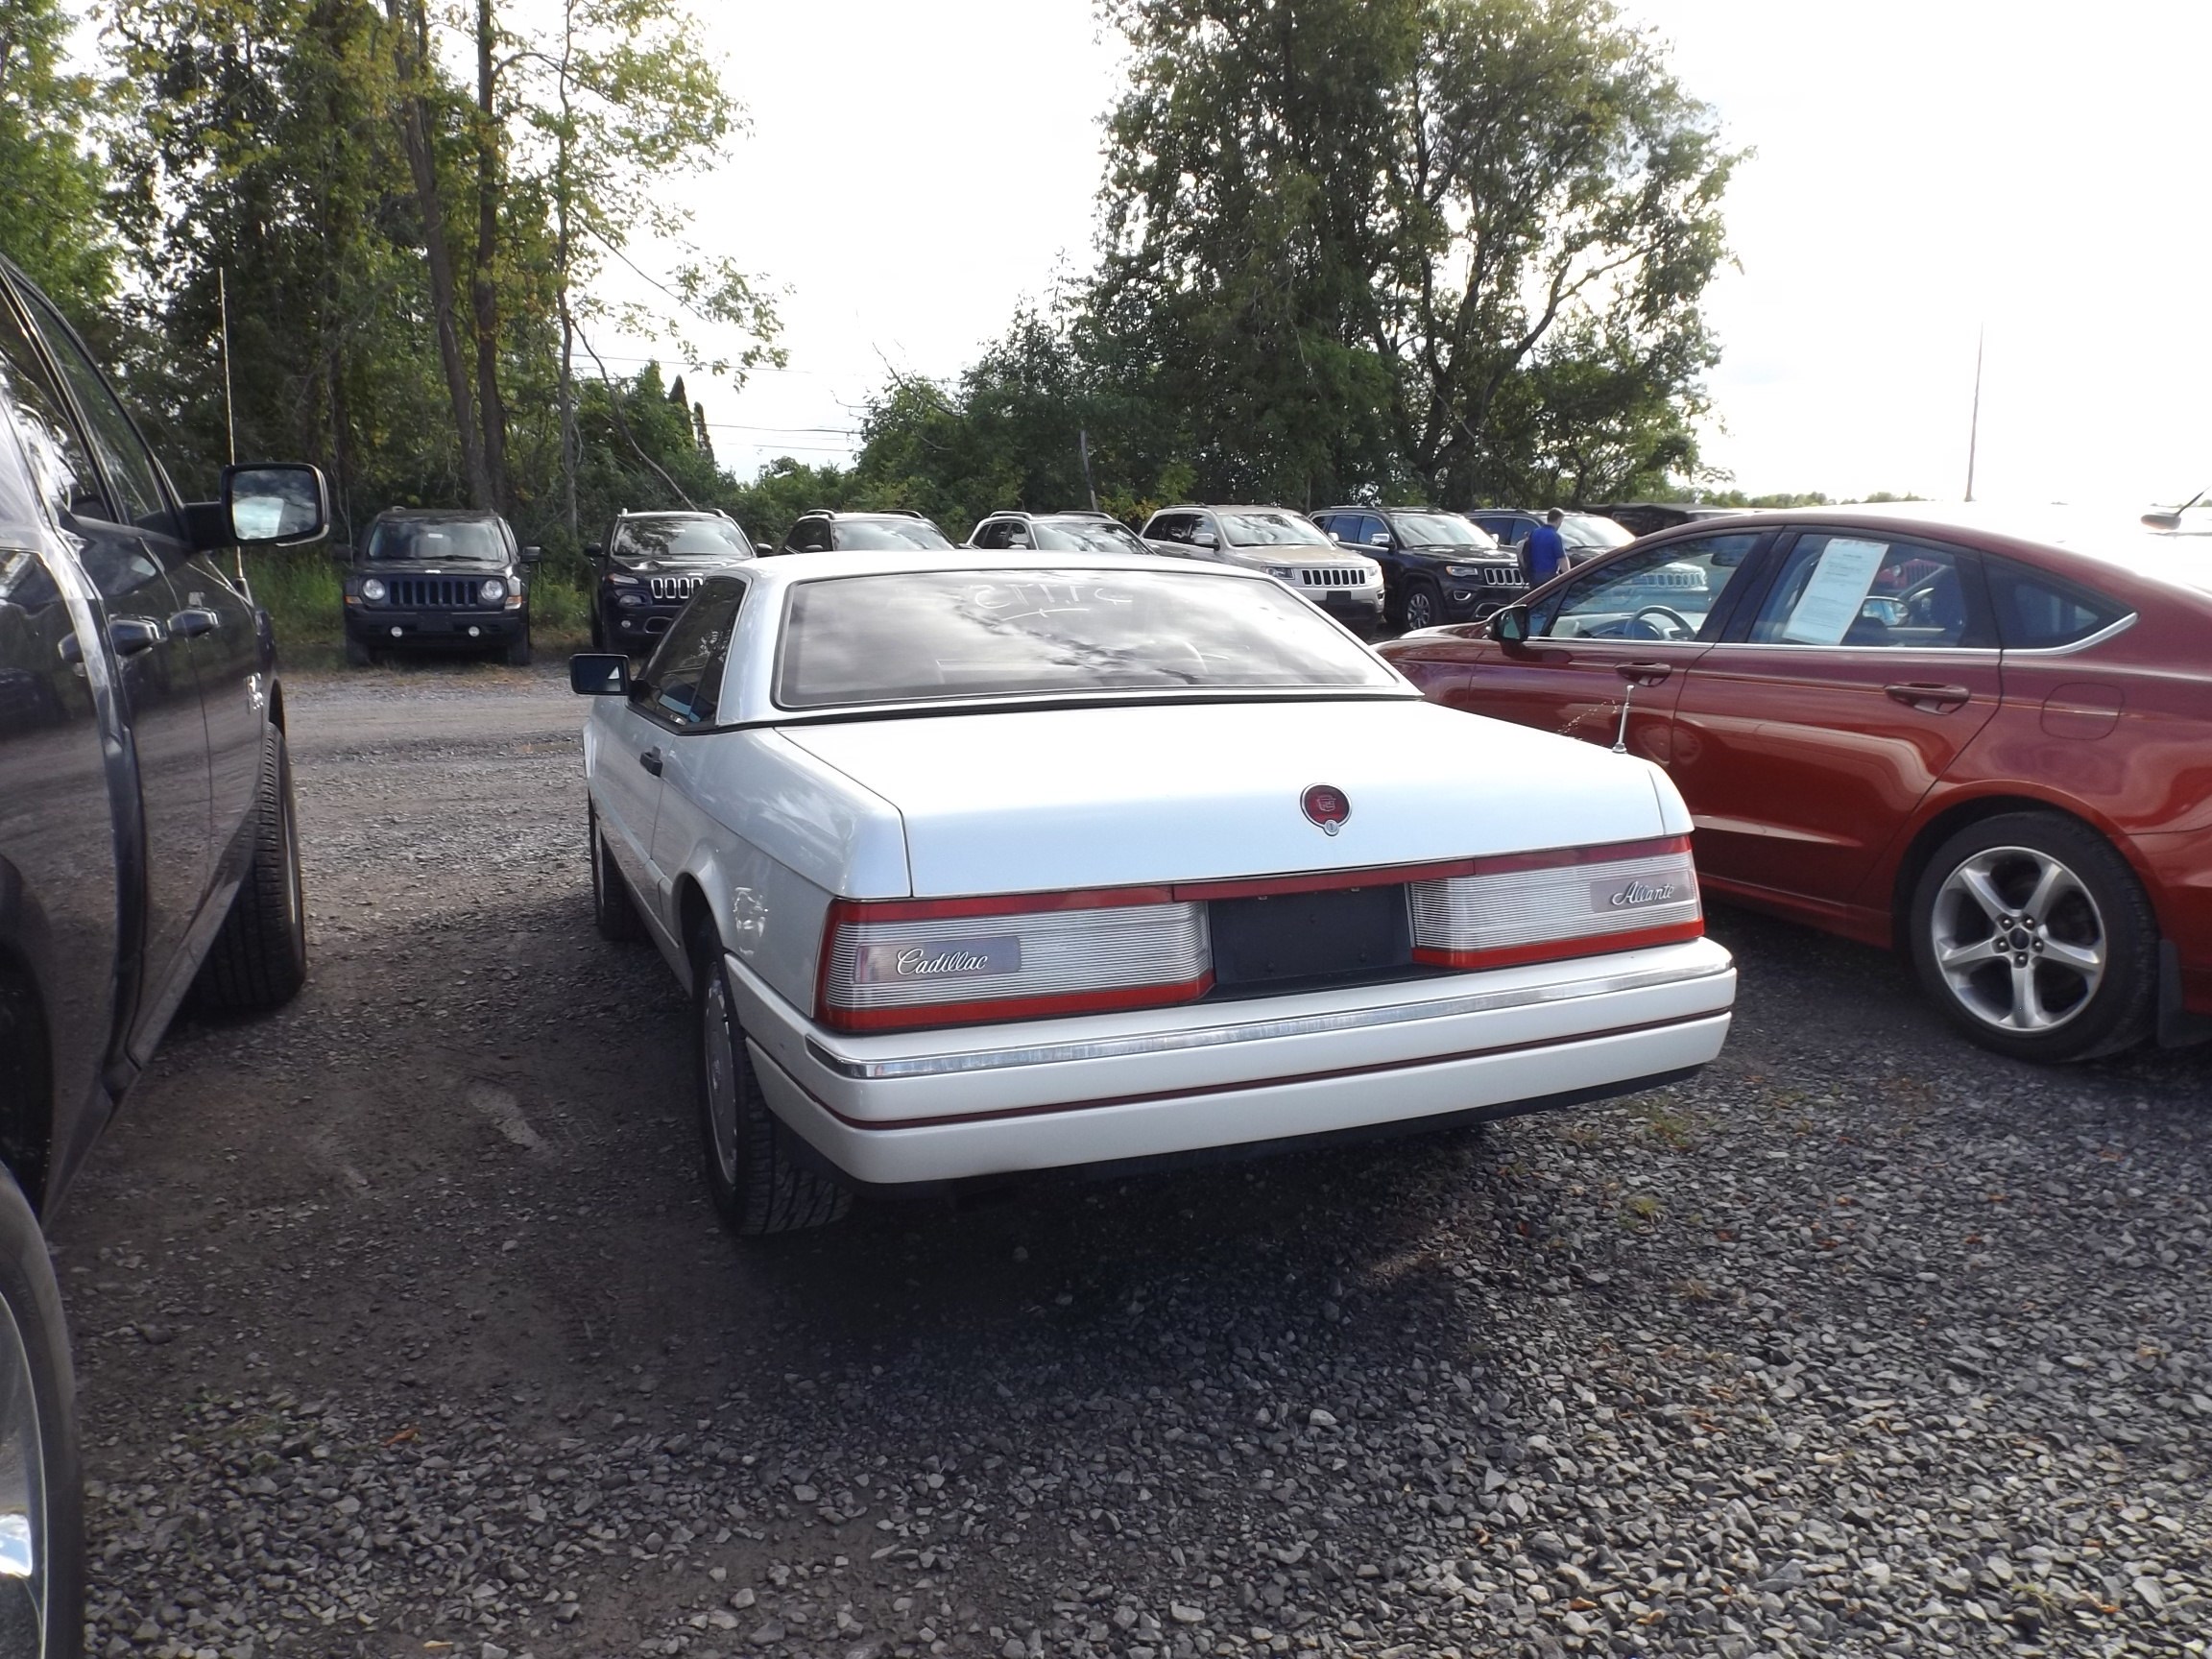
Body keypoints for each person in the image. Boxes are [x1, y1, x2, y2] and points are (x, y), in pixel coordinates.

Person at [1524, 509, 1567, 585]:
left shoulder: (1534, 532)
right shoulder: (1555, 536)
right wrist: (1569, 575)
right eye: (1561, 521)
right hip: (1549, 577)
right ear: (1559, 520)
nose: (1561, 524)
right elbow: (1562, 559)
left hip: (1533, 576)